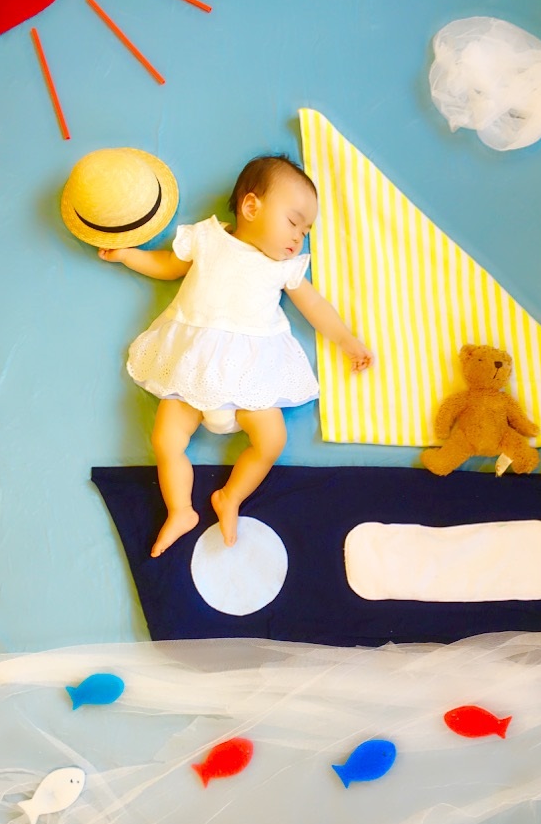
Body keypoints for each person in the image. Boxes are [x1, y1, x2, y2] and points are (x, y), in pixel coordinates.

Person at [99, 154, 372, 555]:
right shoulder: (207, 238)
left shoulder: (284, 269)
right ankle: (180, 510)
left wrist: (347, 341)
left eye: (306, 231)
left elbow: (315, 307)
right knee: (166, 439)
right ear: (251, 207)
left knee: (272, 440)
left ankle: (231, 497)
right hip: (193, 368)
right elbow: (168, 265)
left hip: (249, 376)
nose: (299, 237)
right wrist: (129, 255)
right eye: (293, 222)